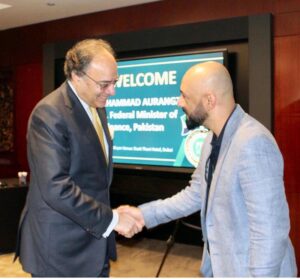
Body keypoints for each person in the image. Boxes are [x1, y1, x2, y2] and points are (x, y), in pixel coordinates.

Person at [119, 61, 298, 277]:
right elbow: (195, 194)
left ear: (210, 100)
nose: (179, 102)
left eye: (185, 96)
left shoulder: (253, 142)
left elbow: (269, 231)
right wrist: (143, 214)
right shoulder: (211, 139)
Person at [14, 38, 143, 277]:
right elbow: (56, 188)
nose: (112, 91)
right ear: (76, 75)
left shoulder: (97, 107)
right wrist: (112, 219)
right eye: (104, 84)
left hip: (94, 242)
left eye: (115, 82)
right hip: (61, 250)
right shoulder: (50, 113)